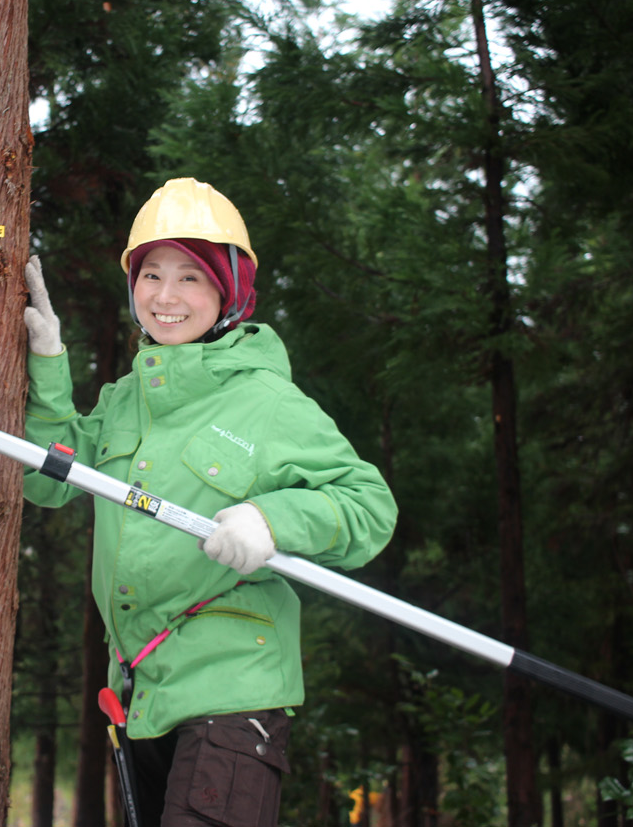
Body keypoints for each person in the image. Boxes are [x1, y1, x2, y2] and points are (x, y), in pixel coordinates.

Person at [22, 177, 398, 827]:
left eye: (191, 277)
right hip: (142, 695)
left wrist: (272, 520)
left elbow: (369, 506)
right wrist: (49, 359)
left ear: (229, 289)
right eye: (151, 275)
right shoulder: (124, 398)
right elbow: (48, 480)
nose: (166, 297)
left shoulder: (267, 400)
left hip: (232, 695)